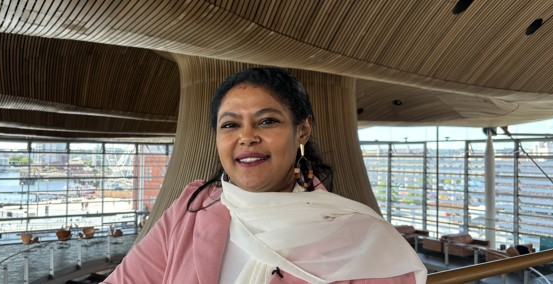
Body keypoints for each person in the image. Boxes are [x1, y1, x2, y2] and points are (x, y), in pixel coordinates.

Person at [102, 67, 427, 283]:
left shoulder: (360, 235)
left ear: (302, 130)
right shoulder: (192, 208)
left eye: (267, 121)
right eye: (230, 124)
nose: (246, 137)